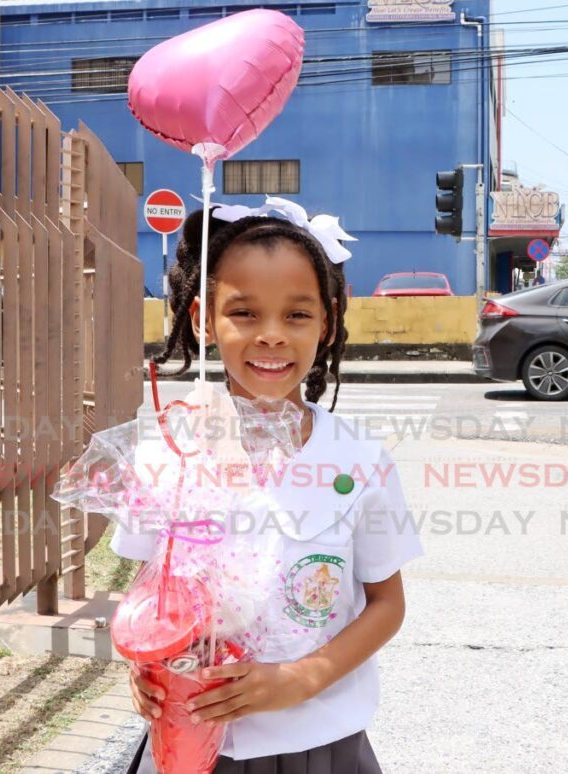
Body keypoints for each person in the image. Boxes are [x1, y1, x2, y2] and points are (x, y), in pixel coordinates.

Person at [113, 201, 424, 773]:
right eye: (246, 313)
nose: (272, 336)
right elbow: (147, 590)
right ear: (206, 318)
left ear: (326, 321)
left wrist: (302, 679)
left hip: (319, 746)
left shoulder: (360, 460)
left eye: (297, 315)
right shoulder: (169, 450)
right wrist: (144, 667)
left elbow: (387, 603)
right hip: (187, 741)